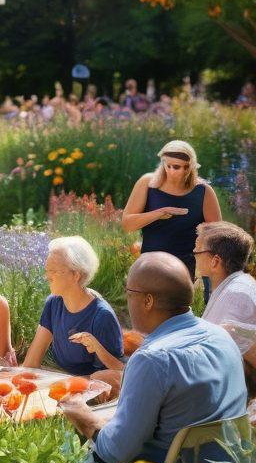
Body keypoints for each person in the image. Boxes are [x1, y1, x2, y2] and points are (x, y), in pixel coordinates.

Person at [63, 253, 247, 463]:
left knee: (66, 452)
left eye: (129, 293)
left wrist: (86, 419)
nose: (127, 299)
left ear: (148, 301)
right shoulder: (221, 336)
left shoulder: (152, 359)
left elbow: (116, 452)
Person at [122, 140, 221, 280]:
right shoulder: (147, 183)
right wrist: (159, 213)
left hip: (186, 270)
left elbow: (218, 237)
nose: (171, 171)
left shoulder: (204, 192)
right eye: (167, 165)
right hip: (150, 265)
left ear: (189, 168)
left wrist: (205, 273)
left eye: (177, 167)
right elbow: (127, 224)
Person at [23, 237, 124, 376]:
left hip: (91, 391)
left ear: (76, 274)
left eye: (54, 271)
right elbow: (31, 363)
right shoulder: (53, 303)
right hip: (60, 383)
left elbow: (112, 377)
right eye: (47, 270)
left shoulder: (102, 317)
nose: (48, 277)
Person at [195, 222, 256, 395]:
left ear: (215, 261)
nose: (194, 254)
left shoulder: (237, 294)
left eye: (198, 250)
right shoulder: (233, 285)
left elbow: (230, 345)